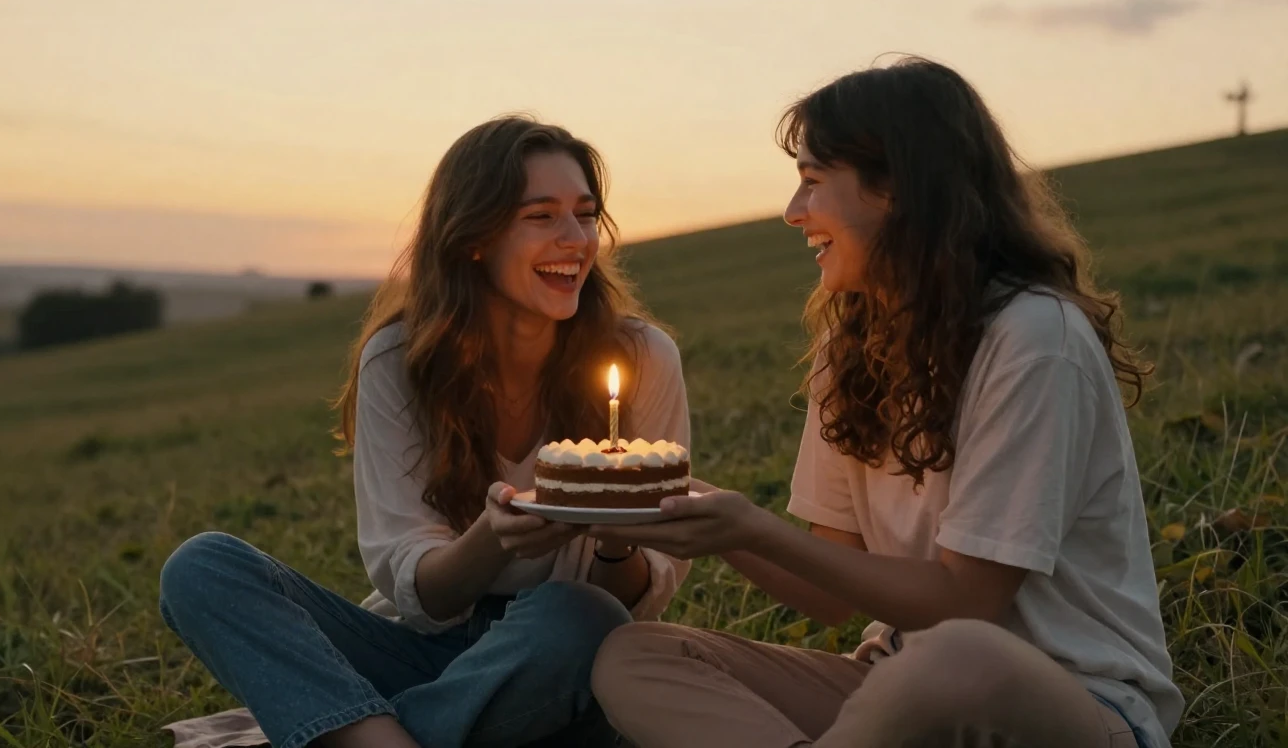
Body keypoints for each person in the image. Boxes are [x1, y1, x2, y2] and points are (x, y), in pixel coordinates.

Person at [588, 57, 1182, 748]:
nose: (792, 212)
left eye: (812, 182)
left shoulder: (1033, 337)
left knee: (955, 657)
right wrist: (687, 502)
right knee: (636, 656)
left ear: (896, 189)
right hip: (890, 686)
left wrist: (748, 527)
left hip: (1063, 701)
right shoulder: (853, 345)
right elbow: (832, 594)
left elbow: (968, 601)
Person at [158, 115, 691, 748]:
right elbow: (421, 595)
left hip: (553, 650)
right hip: (414, 647)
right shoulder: (400, 361)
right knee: (202, 568)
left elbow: (636, 601)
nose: (575, 239)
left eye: (585, 214)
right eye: (541, 216)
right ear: (473, 238)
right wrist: (492, 538)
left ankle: (362, 731)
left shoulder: (644, 357)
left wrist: (615, 540)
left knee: (584, 615)